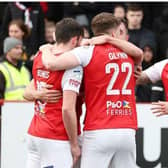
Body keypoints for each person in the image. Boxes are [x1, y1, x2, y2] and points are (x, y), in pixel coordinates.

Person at [41, 13, 143, 168]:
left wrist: (46, 49)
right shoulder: (129, 54)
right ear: (116, 32)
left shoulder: (87, 51)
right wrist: (110, 40)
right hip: (127, 129)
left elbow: (52, 64)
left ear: (94, 31)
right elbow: (140, 54)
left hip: (99, 129)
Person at [24, 18, 84, 168]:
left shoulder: (41, 56)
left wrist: (38, 94)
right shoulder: (71, 65)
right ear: (75, 40)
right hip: (56, 136)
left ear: (55, 36)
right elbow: (67, 109)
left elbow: (27, 91)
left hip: (35, 133)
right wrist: (74, 144)